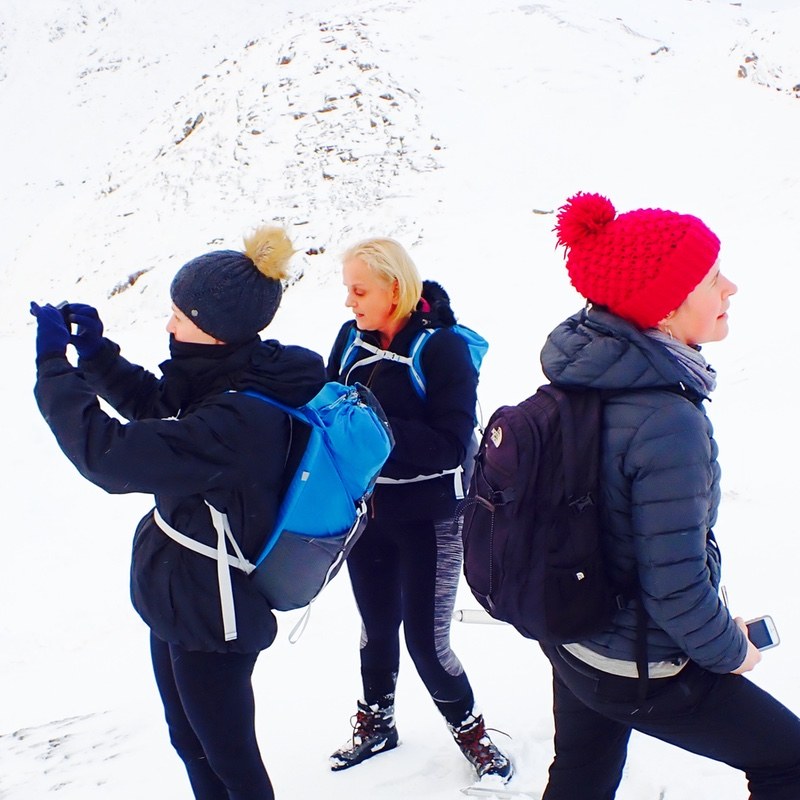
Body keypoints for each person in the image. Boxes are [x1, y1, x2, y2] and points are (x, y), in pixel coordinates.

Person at [30, 226, 327, 800]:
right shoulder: (236, 373)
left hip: (214, 614)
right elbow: (161, 408)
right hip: (184, 593)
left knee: (229, 759)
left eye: (178, 317)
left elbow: (110, 456)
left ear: (214, 331)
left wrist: (52, 369)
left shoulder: (240, 421)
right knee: (191, 742)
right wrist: (95, 355)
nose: (168, 327)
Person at [537, 191, 800, 799]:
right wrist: (733, 651)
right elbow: (676, 589)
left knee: (581, 773)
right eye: (711, 278)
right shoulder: (668, 420)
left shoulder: (581, 375)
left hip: (575, 638)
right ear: (662, 310)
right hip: (636, 664)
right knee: (790, 761)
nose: (730, 287)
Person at [325, 237, 513, 783]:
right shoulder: (349, 340)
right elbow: (332, 406)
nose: (349, 303)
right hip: (368, 515)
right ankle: (377, 723)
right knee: (375, 626)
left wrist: (371, 431)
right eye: (348, 290)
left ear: (395, 289)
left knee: (427, 643)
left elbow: (452, 443)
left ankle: (472, 734)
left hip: (431, 518)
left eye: (359, 290)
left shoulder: (442, 349)